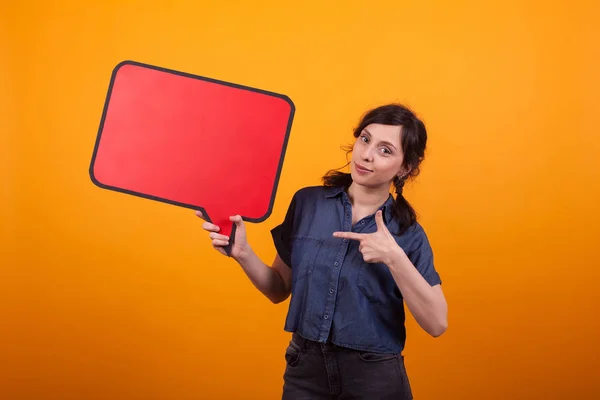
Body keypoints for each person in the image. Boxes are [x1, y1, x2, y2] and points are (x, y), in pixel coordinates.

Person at [195, 103, 448, 399]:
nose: (366, 155)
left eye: (385, 150)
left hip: (374, 378)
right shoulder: (308, 203)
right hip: (305, 371)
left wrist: (395, 258)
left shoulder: (408, 233)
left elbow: (436, 323)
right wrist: (243, 254)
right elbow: (278, 289)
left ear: (405, 167)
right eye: (365, 139)